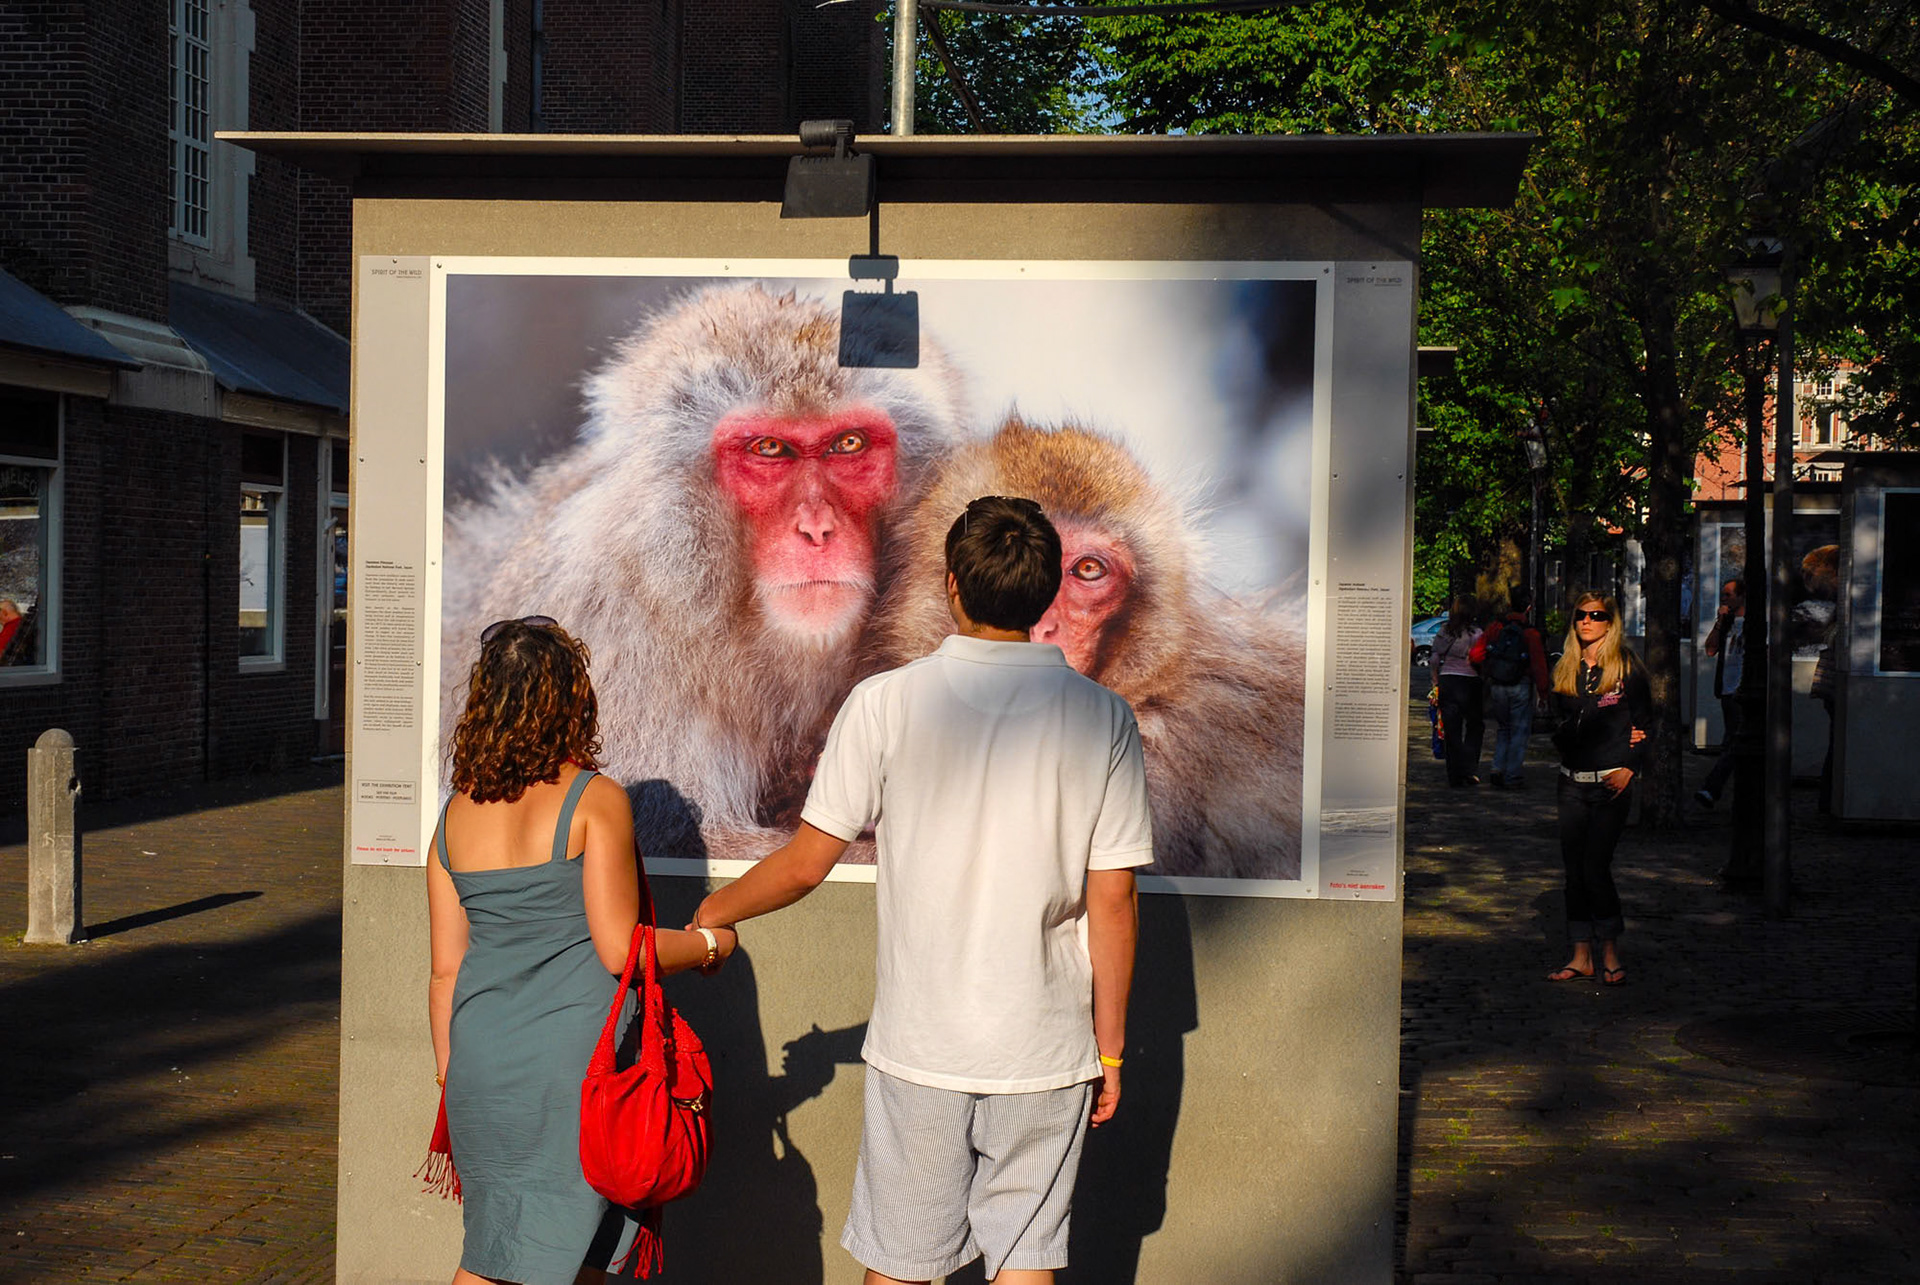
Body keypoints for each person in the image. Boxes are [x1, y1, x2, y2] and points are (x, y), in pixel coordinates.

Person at [693, 495, 1152, 1285]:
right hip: (1045, 1047)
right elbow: (1111, 899)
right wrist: (1108, 1047)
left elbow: (807, 860)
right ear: (1046, 597)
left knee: (901, 1265)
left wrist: (714, 911)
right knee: (1025, 1262)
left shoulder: (886, 702)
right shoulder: (1102, 718)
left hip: (922, 1047)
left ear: (950, 585)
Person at [428, 617, 738, 1285]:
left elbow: (445, 969)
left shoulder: (453, 815)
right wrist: (710, 942)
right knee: (572, 1258)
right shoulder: (594, 799)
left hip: (478, 1066)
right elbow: (619, 945)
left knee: (496, 1254)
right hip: (573, 1075)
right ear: (572, 700)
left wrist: (451, 1077)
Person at [1546, 592, 1652, 987]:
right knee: (1574, 871)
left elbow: (1646, 723)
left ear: (1610, 622)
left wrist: (1630, 768)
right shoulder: (1566, 669)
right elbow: (1558, 724)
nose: (1587, 621)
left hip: (1611, 784)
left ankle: (1609, 951)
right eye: (1581, 616)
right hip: (1571, 783)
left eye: (1596, 615)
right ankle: (1580, 955)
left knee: (1595, 867)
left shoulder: (1626, 668)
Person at [1474, 585, 1551, 789]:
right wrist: (1543, 692)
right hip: (1520, 684)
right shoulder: (1530, 633)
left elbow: (1476, 654)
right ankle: (1513, 774)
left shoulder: (1496, 628)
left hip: (1498, 685)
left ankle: (1497, 768)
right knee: (1520, 731)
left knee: (1503, 729)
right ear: (1528, 606)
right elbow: (1538, 664)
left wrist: (1486, 670)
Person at [1695, 578, 1746, 808]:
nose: (1724, 599)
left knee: (1735, 742)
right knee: (1733, 742)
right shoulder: (1727, 623)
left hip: (1742, 691)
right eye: (1722, 595)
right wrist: (1719, 623)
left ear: (1742, 597)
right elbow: (1710, 649)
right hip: (1727, 691)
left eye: (1728, 595)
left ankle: (1712, 788)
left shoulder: (1754, 623)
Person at [1429, 596, 1485, 788]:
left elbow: (1435, 658)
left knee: (1452, 730)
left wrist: (1435, 681)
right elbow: (1481, 658)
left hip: (1448, 680)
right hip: (1470, 682)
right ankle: (1469, 769)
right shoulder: (1477, 633)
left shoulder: (1445, 631)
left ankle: (1454, 774)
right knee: (1474, 726)